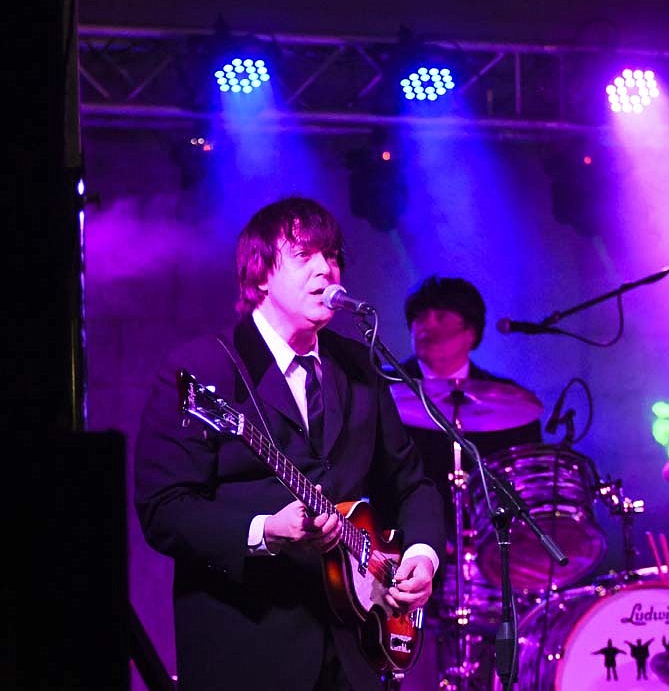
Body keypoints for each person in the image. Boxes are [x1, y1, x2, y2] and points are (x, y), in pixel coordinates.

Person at [133, 196, 446, 691]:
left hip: (355, 653)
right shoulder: (203, 369)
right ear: (258, 276)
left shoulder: (359, 367)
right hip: (249, 651)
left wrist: (421, 557)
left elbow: (412, 484)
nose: (327, 268)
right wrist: (263, 532)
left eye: (333, 255)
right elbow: (163, 509)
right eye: (304, 255)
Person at [394, 275, 543, 689]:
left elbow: (524, 491)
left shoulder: (510, 401)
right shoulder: (382, 393)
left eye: (441, 315)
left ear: (471, 331)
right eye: (419, 317)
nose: (426, 325)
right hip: (402, 553)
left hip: (486, 562)